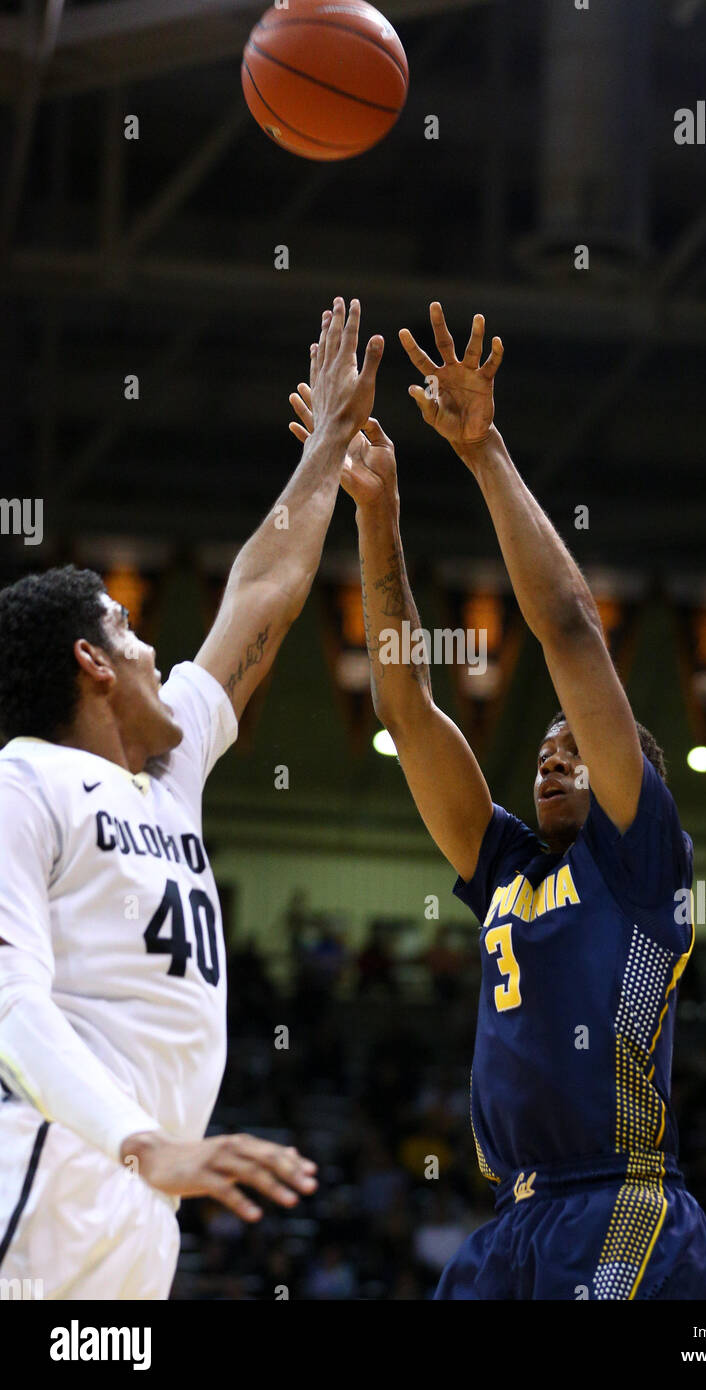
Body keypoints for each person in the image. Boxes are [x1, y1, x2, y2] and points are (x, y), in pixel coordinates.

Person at [290, 301, 706, 1300]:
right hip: (510, 1222)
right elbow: (402, 695)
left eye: (577, 746)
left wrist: (480, 452)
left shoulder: (636, 855)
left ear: (634, 781)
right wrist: (376, 511)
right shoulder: (505, 869)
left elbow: (569, 629)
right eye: (543, 748)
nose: (553, 759)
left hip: (620, 1211)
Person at [0, 298, 382, 1299]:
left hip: (144, 1189)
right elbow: (8, 1002)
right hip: (52, 1164)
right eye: (128, 632)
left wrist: (328, 445)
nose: (152, 648)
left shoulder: (167, 773)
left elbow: (260, 595)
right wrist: (137, 1142)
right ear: (88, 662)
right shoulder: (23, 781)